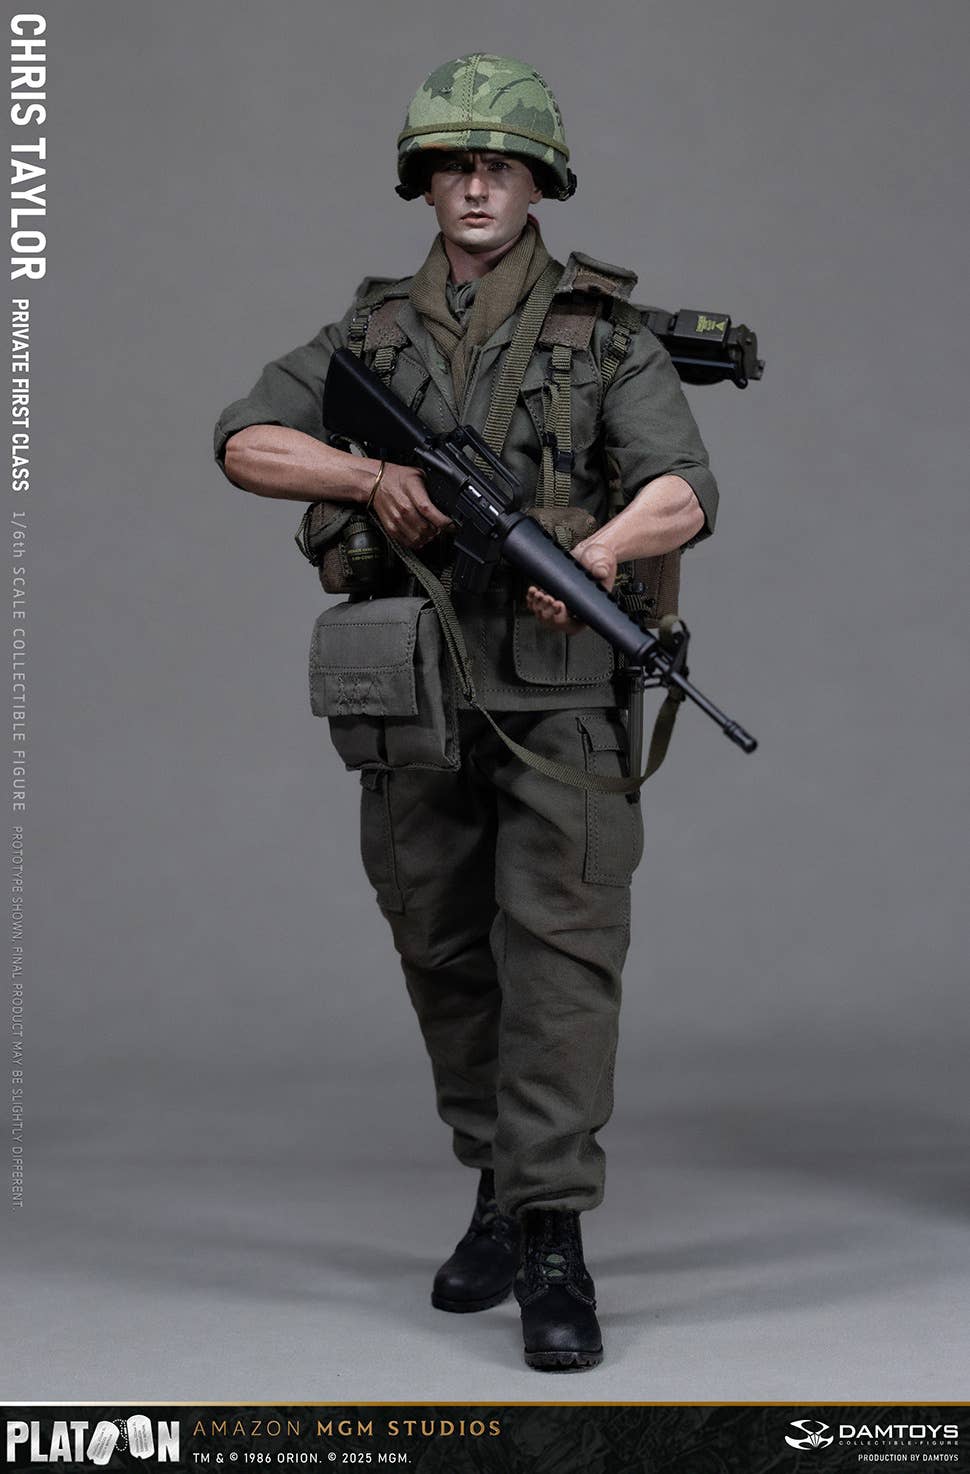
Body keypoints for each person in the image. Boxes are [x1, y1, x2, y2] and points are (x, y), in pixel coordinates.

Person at [213, 53, 717, 1371]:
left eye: (499, 165)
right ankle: (495, 1186)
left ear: (538, 181)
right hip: (413, 701)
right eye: (453, 166)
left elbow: (681, 490)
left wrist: (598, 553)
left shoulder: (605, 332)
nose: (477, 186)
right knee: (440, 946)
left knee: (559, 965)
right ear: (424, 185)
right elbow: (245, 442)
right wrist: (368, 474)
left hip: (557, 700)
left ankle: (551, 1233)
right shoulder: (370, 337)